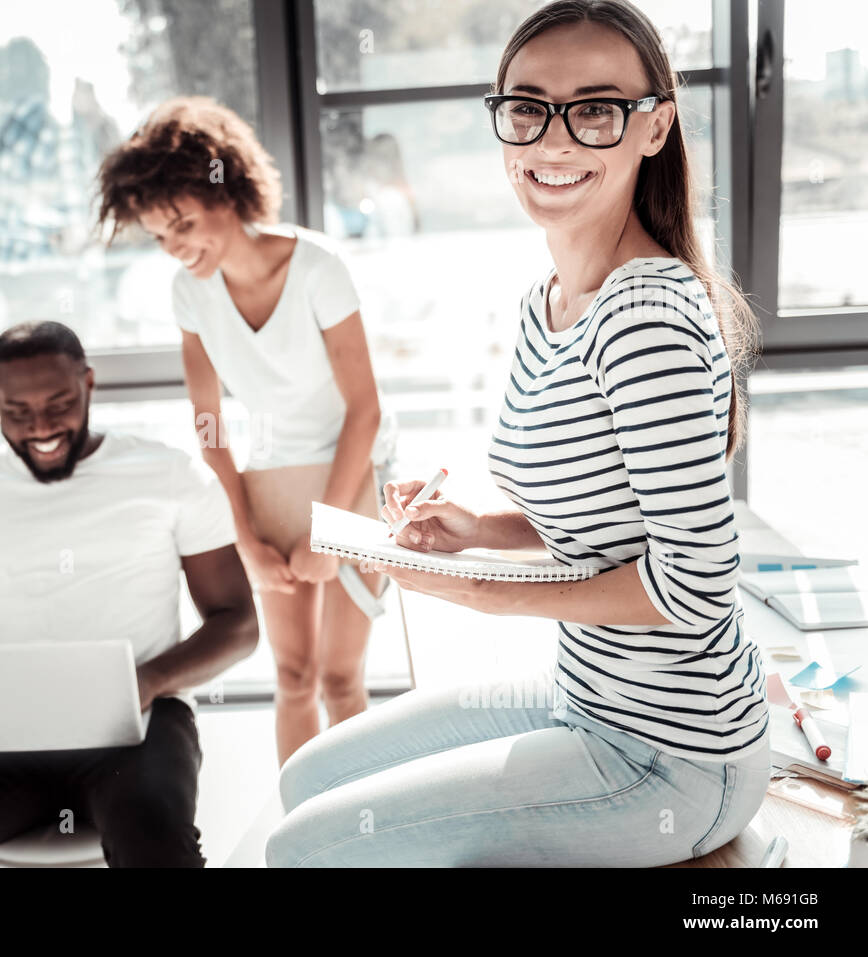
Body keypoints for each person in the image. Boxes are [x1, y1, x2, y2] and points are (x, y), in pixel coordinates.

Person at [266, 0, 769, 867]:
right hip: (584, 690)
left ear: (654, 127)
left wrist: (480, 592)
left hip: (673, 751)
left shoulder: (645, 314)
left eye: (597, 109)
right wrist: (478, 532)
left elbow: (695, 587)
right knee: (304, 782)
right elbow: (614, 515)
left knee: (305, 848)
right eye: (528, 107)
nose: (554, 140)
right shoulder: (548, 301)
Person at [0, 321, 258, 867]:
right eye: (16, 411)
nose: (40, 426)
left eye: (59, 403)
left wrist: (147, 681)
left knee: (154, 836)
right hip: (3, 730)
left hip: (141, 722)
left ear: (89, 383)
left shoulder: (170, 476)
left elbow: (237, 622)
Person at [96, 97, 398, 767]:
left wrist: (329, 532)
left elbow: (365, 408)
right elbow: (208, 423)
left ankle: (367, 835)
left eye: (182, 224)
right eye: (159, 236)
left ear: (224, 190)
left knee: (342, 679)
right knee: (293, 677)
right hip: (273, 478)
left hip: (355, 475)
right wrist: (245, 538)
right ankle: (302, 833)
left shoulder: (318, 268)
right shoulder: (190, 293)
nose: (175, 248)